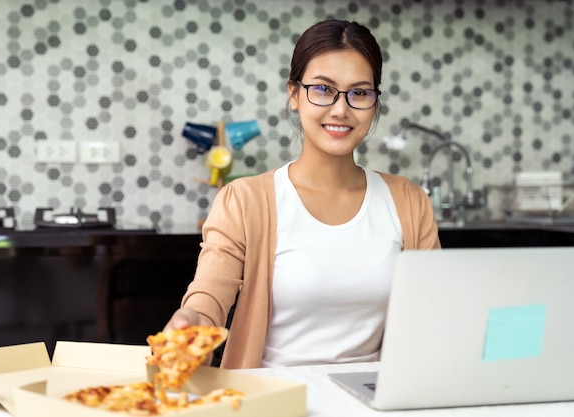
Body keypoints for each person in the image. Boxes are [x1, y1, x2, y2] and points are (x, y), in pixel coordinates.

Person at [164, 19, 440, 369]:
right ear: (294, 94)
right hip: (272, 399)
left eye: (359, 92)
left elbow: (434, 314)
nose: (341, 109)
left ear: (374, 103)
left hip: (377, 401)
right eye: (323, 89)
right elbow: (208, 301)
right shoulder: (245, 200)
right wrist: (190, 323)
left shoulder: (409, 202)